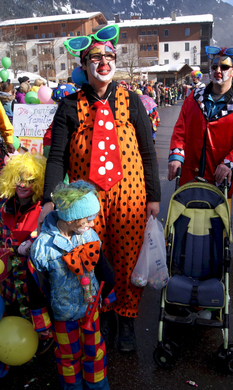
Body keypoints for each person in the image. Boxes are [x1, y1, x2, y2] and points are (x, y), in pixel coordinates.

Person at [38, 24, 161, 352]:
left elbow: (148, 152)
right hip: (86, 202)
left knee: (129, 258)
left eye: (109, 55)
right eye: (96, 56)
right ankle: (103, 313)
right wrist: (49, 199)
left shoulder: (133, 101)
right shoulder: (69, 107)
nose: (104, 61)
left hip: (131, 197)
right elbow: (56, 159)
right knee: (93, 256)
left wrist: (154, 197)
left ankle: (128, 320)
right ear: (83, 66)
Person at [28, 180, 115, 390]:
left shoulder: (88, 235)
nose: (92, 224)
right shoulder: (42, 247)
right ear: (69, 219)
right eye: (87, 220)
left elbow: (102, 266)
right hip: (62, 314)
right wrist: (42, 321)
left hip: (90, 308)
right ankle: (72, 387)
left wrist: (108, 294)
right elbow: (36, 286)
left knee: (94, 351)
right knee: (68, 355)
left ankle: (98, 386)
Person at [168, 46, 233, 201]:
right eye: (214, 66)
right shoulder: (194, 97)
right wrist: (176, 156)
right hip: (189, 179)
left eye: (224, 67)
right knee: (184, 223)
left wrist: (230, 163)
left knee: (217, 224)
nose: (218, 70)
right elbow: (180, 130)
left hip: (220, 181)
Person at [0, 152, 53, 355]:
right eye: (18, 179)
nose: (22, 185)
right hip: (7, 276)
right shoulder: (4, 206)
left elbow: (49, 233)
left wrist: (33, 240)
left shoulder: (42, 209)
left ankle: (42, 337)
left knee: (34, 308)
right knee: (10, 306)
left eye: (29, 180)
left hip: (31, 275)